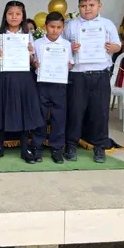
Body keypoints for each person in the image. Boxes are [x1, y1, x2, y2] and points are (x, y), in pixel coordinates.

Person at [63, 0, 121, 163]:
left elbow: (118, 45)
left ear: (99, 5)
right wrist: (70, 48)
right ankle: (71, 146)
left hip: (100, 74)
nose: (87, 9)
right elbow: (62, 46)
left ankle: (99, 147)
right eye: (83, 6)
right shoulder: (71, 25)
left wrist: (112, 48)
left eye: (91, 5)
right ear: (78, 7)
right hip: (77, 75)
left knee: (100, 112)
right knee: (75, 112)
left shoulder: (107, 24)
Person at [0, 0, 44, 163]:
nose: (14, 17)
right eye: (10, 13)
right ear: (5, 15)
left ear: (23, 16)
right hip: (3, 77)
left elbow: (32, 61)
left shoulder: (28, 36)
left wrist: (31, 54)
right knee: (1, 111)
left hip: (23, 78)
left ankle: (25, 149)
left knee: (24, 112)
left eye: (18, 14)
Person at [32, 11, 73, 163]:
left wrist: (67, 65)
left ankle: (57, 149)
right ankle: (37, 147)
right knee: (40, 116)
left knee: (58, 118)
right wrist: (34, 63)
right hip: (41, 83)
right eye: (52, 27)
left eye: (58, 27)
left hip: (59, 84)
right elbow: (33, 61)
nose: (55, 30)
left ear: (63, 28)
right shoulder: (37, 44)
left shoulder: (66, 45)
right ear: (45, 26)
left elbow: (70, 63)